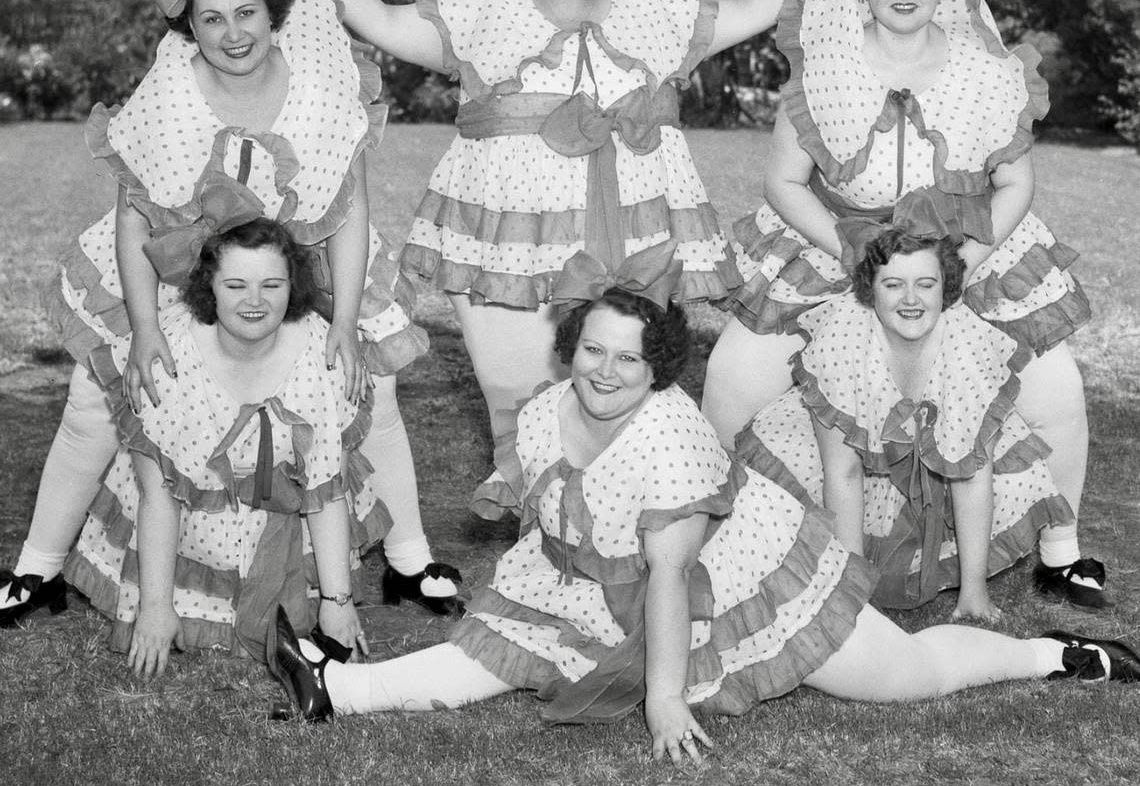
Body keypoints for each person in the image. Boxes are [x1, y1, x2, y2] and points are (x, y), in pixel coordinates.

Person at [263, 246, 1139, 764]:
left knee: (905, 679)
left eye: (629, 362)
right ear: (570, 347)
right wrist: (561, 598)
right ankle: (335, 685)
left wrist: (664, 698)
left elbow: (674, 573)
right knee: (499, 649)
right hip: (595, 570)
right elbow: (555, 516)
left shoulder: (671, 436)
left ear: (659, 371)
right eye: (591, 351)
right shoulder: (542, 411)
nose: (604, 372)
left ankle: (1050, 656)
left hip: (736, 571)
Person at [1, 0, 461, 628]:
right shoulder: (171, 90)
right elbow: (133, 217)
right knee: (97, 395)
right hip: (184, 261)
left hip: (301, 262)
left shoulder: (319, 85)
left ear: (274, 11)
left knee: (369, 389)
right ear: (189, 27)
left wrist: (343, 322)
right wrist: (146, 326)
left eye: (246, 13)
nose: (233, 34)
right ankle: (40, 564)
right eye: (211, 20)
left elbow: (349, 211)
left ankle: (409, 556)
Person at [267, 0, 789, 442]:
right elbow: (385, 22)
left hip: (633, 232)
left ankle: (620, 522)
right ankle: (533, 520)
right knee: (515, 403)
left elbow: (750, 10)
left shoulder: (653, 10)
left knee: (628, 398)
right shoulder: (487, 9)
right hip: (509, 238)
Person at [701, 0, 1103, 608]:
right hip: (844, 240)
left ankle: (1062, 549)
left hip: (970, 244)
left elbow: (1015, 185)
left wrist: (962, 267)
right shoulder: (825, 69)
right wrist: (849, 247)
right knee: (736, 370)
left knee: (1056, 386)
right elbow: (783, 184)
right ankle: (715, 528)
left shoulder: (986, 71)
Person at [66, 220, 382, 675]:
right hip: (191, 514)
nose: (254, 301)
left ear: (294, 286)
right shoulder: (170, 356)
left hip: (290, 512)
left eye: (272, 284)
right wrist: (156, 608)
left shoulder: (322, 354)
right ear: (208, 288)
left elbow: (325, 491)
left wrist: (338, 602)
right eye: (235, 285)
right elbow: (160, 496)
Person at [736, 227, 1073, 619]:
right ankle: (843, 577)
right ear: (869, 289)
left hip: (937, 454)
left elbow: (970, 476)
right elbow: (843, 474)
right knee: (794, 480)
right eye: (893, 284)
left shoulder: (968, 345)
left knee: (1012, 479)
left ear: (945, 289)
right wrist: (853, 595)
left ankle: (955, 572)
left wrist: (974, 593)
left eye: (925, 284)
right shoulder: (842, 338)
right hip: (852, 457)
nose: (911, 299)